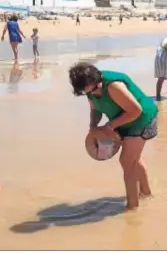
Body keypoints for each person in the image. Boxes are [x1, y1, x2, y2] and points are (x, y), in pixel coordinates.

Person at [68, 63, 159, 210]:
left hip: (142, 118)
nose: (94, 93)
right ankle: (146, 193)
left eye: (96, 89)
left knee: (127, 161)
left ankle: (132, 208)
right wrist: (93, 127)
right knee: (134, 158)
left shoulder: (113, 86)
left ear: (97, 81)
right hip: (122, 120)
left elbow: (136, 110)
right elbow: (95, 110)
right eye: (88, 92)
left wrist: (109, 126)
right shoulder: (89, 87)